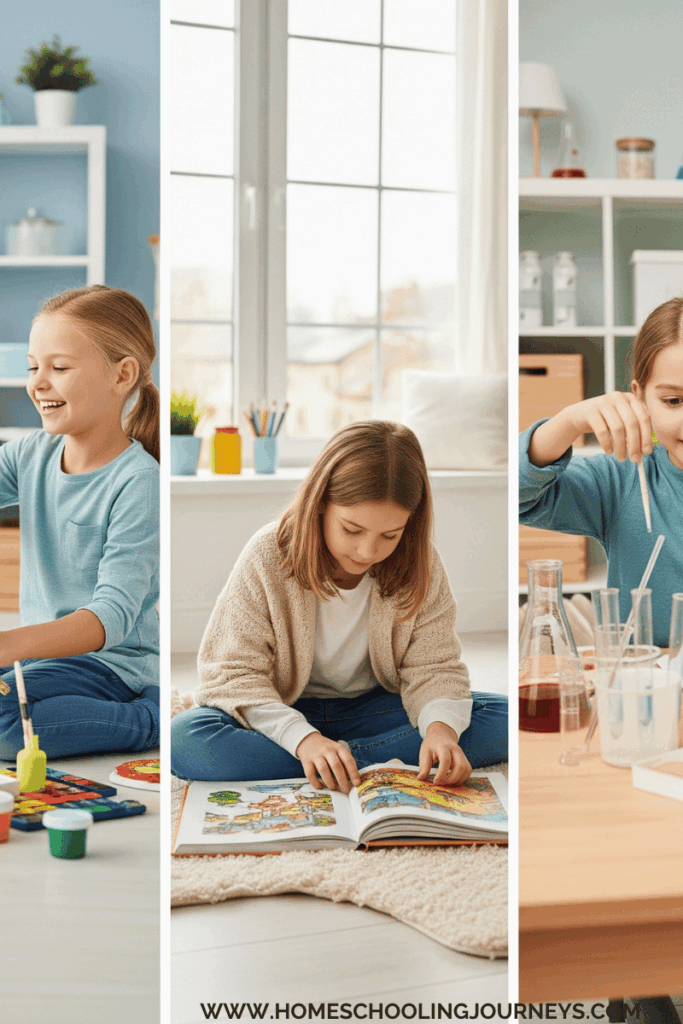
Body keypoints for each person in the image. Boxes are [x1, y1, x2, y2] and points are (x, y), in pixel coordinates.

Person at [172, 420, 508, 789]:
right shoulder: (267, 554)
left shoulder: (420, 562)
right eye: (352, 529)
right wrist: (304, 740)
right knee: (185, 739)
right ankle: (368, 761)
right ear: (320, 505)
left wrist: (440, 734)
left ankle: (339, 762)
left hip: (375, 707)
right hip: (285, 707)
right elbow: (232, 674)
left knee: (503, 716)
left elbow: (435, 666)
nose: (368, 551)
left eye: (390, 535)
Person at [0, 285, 160, 759]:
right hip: (43, 661)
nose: (38, 383)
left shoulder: (137, 481)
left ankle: (148, 719)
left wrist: (6, 645)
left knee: (6, 725)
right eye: (33, 367)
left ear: (122, 375)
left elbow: (107, 619)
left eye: (60, 368)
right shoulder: (31, 454)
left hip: (110, 665)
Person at [520, 297, 683, 647]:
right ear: (640, 399)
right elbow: (519, 496)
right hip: (643, 683)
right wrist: (569, 421)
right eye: (674, 401)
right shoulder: (621, 478)